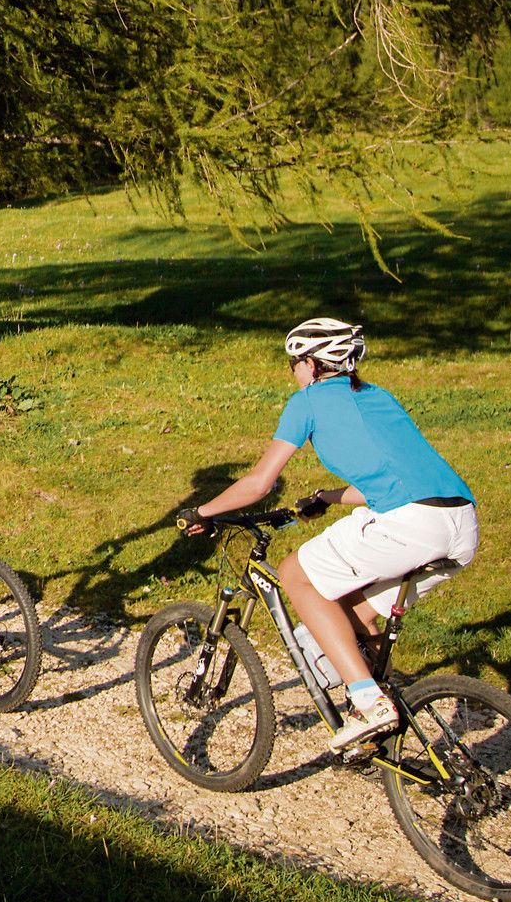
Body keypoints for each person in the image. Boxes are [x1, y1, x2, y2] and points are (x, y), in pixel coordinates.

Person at [179, 317, 478, 751]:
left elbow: (260, 483)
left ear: (314, 365)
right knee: (355, 614)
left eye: (295, 363)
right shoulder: (378, 397)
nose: (293, 372)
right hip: (459, 523)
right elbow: (391, 477)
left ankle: (368, 701)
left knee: (295, 574)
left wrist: (202, 511)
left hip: (411, 524)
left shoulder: (308, 402)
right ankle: (379, 711)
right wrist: (329, 498)